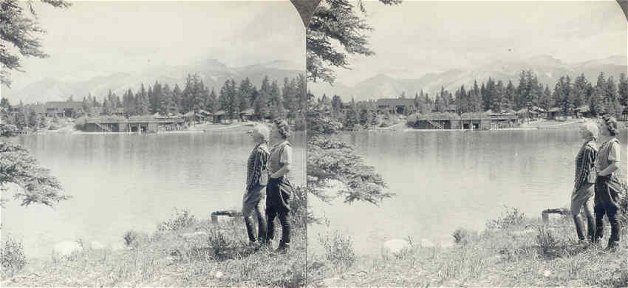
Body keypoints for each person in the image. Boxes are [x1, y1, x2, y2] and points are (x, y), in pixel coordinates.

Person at [593, 115, 623, 250]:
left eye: (602, 125)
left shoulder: (614, 143)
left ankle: (614, 243)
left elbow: (615, 164)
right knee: (598, 210)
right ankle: (597, 240)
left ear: (610, 127)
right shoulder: (606, 143)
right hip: (601, 180)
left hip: (608, 181)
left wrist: (601, 174)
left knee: (612, 212)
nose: (600, 127)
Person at [265, 119, 294, 253]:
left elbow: (287, 167)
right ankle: (268, 242)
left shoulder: (285, 147)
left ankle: (285, 246)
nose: (271, 131)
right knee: (270, 214)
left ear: (281, 131)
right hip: (272, 184)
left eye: (273, 128)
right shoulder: (276, 146)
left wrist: (273, 177)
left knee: (283, 215)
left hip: (280, 184)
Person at [570, 122, 598, 242]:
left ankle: (583, 240)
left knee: (575, 210)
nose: (580, 131)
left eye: (582, 130)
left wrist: (577, 186)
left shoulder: (588, 148)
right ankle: (592, 239)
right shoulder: (590, 144)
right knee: (588, 210)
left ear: (588, 132)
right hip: (590, 183)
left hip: (585, 183)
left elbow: (585, 170)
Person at [242, 124, 270, 245]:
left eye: (253, 133)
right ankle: (262, 241)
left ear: (259, 136)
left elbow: (257, 171)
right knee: (259, 211)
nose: (251, 135)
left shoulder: (260, 150)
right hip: (262, 185)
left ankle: (253, 241)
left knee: (246, 211)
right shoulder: (263, 147)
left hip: (256, 186)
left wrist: (249, 187)